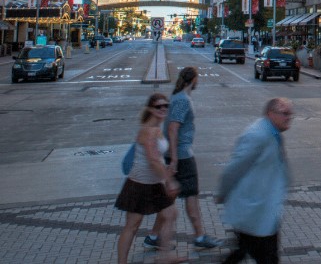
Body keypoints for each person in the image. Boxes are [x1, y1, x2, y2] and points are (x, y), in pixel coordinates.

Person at [146, 66, 222, 251]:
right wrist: (174, 159)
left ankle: (154, 236)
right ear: (193, 80)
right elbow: (173, 128)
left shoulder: (179, 97)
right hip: (182, 155)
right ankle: (199, 236)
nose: (199, 81)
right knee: (191, 195)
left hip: (178, 154)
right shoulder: (182, 100)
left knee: (169, 198)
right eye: (198, 78)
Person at [217, 98, 294, 264]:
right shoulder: (257, 135)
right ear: (270, 114)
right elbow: (234, 168)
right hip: (253, 211)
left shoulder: (273, 133)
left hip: (262, 210)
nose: (289, 117)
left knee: (242, 251)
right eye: (285, 113)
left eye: (290, 113)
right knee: (267, 258)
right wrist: (223, 192)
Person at [115, 93, 184, 264]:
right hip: (139, 184)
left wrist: (167, 171)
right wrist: (169, 180)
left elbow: (156, 158)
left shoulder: (157, 128)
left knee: (170, 214)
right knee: (132, 225)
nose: (163, 109)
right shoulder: (148, 131)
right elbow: (152, 160)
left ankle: (165, 256)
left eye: (165, 106)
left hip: (154, 183)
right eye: (158, 106)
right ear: (150, 109)